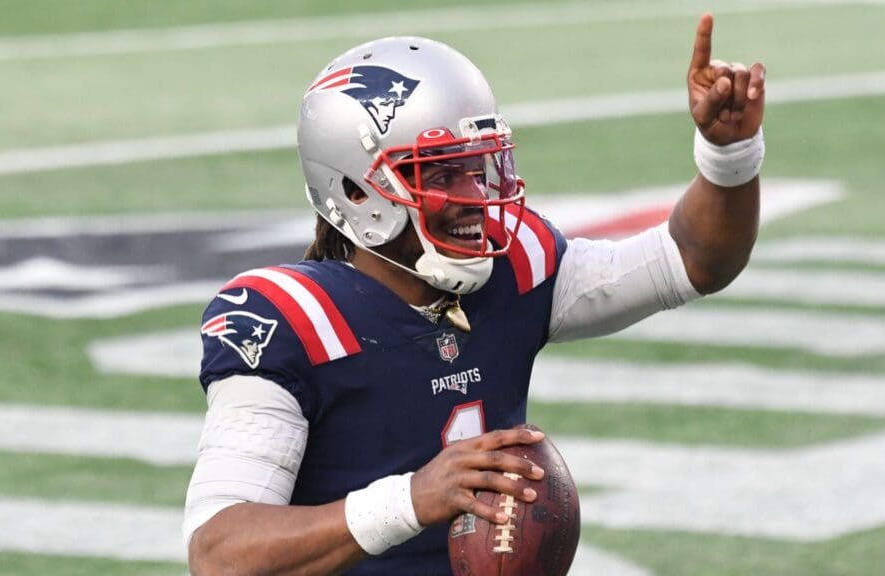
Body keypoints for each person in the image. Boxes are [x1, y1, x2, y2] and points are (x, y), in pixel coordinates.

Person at [185, 13, 765, 576]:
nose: (476, 196)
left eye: (479, 167)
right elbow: (220, 555)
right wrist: (410, 501)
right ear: (358, 193)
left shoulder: (513, 270)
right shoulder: (295, 321)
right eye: (441, 175)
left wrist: (729, 156)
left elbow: (692, 260)